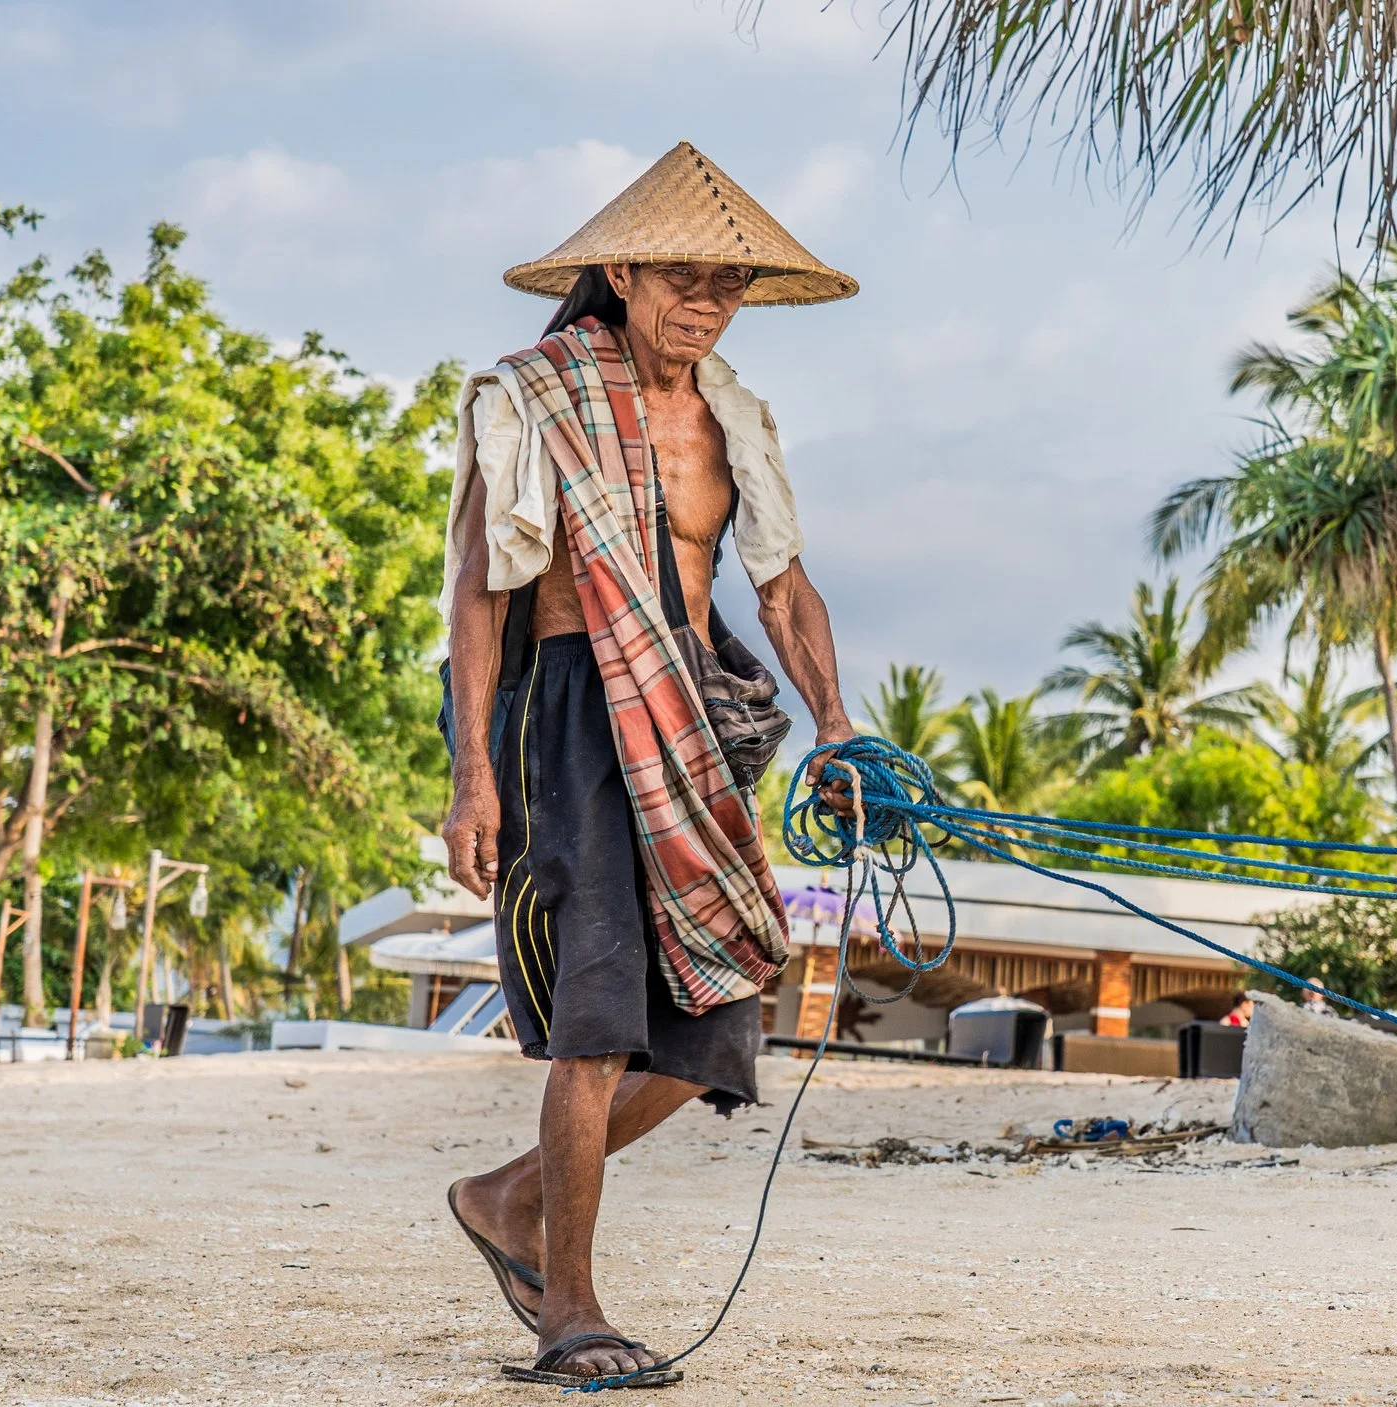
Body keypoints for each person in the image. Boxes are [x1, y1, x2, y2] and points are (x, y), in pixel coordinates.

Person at [434, 143, 860, 1388]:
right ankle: (570, 1308)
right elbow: (476, 600)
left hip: (690, 726)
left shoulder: (732, 415)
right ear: (620, 271)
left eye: (728, 287)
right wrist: (473, 778)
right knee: (598, 1021)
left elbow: (780, 589)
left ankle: (510, 1197)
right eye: (685, 280)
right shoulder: (529, 397)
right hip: (566, 716)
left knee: (726, 1005)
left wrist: (836, 726)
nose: (707, 307)